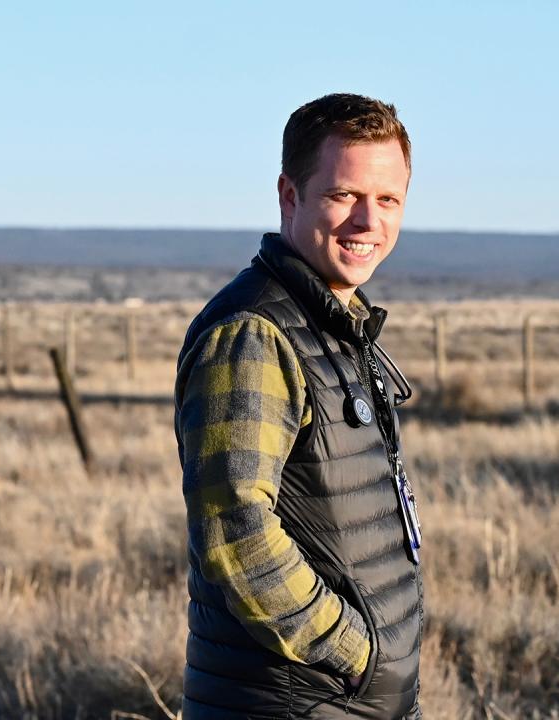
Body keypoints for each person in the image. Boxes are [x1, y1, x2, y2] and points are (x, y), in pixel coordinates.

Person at [174, 93, 423, 719]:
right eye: (344, 195)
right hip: (291, 703)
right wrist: (355, 653)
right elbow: (236, 530)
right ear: (290, 196)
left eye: (388, 199)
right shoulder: (256, 334)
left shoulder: (336, 328)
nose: (368, 221)